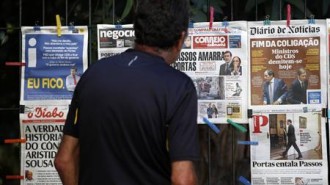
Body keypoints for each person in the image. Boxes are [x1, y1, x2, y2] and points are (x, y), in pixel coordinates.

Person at [54, 0, 199, 185]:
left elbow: (64, 160)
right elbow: (183, 179)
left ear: (137, 31)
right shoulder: (179, 88)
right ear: (180, 39)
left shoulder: (93, 75)